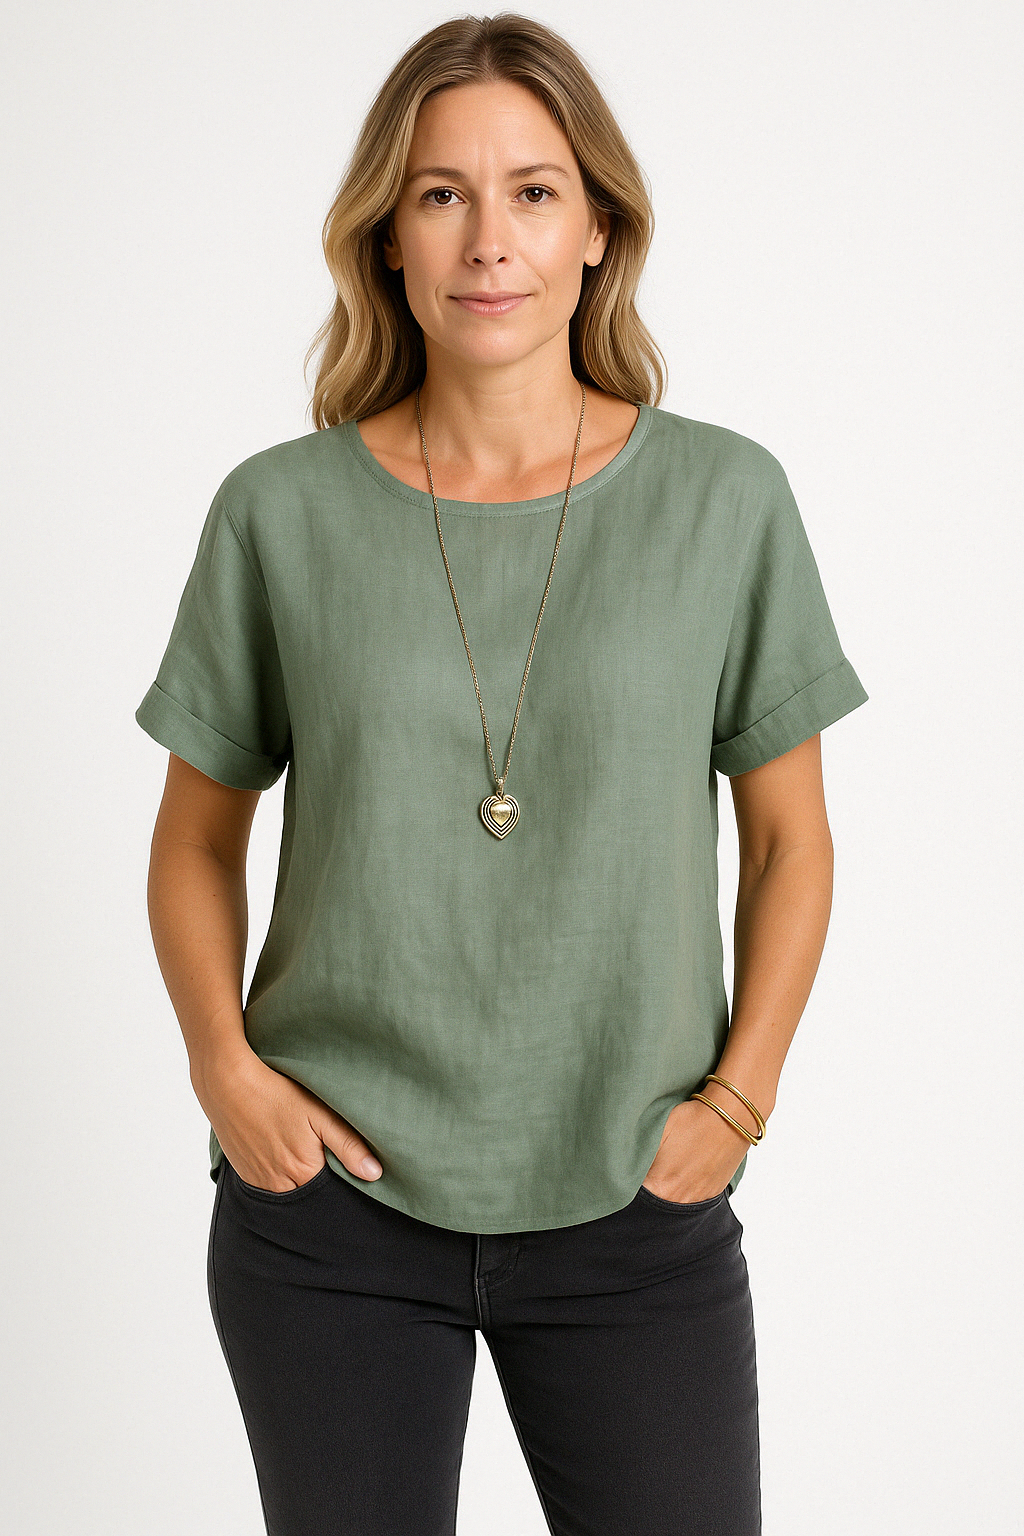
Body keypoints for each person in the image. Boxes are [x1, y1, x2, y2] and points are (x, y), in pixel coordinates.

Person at [135, 14, 868, 1536]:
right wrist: (225, 1073)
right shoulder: (278, 514)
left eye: (534, 192)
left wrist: (738, 1103)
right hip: (331, 1213)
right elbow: (198, 837)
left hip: (633, 1198)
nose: (489, 240)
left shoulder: (727, 501)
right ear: (386, 236)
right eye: (441, 194)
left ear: (598, 229)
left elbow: (790, 844)